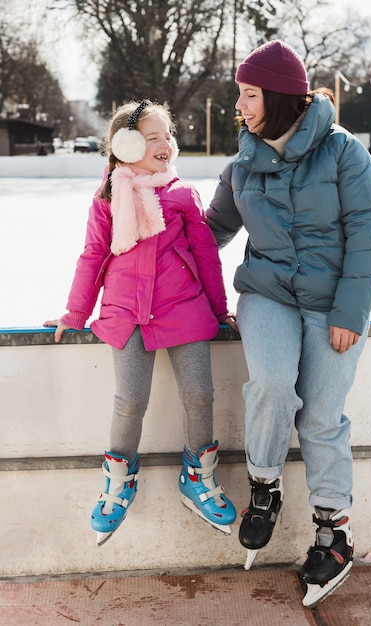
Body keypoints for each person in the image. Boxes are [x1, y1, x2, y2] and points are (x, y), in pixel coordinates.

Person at [206, 40, 371, 607]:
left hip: (334, 304)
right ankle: (265, 486)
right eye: (241, 94)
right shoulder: (243, 162)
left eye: (250, 94)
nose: (242, 105)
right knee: (272, 384)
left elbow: (368, 235)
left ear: (281, 97)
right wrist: (135, 259)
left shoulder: (342, 154)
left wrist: (349, 313)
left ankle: (334, 532)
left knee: (323, 418)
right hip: (267, 296)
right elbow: (210, 231)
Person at [44, 99, 237, 546]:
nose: (164, 144)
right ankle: (119, 480)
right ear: (126, 145)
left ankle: (198, 476)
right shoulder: (108, 200)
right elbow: (94, 256)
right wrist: (74, 314)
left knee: (200, 393)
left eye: (167, 135)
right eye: (152, 137)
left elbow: (206, 255)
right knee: (130, 399)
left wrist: (216, 306)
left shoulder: (182, 195)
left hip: (184, 307)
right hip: (126, 311)